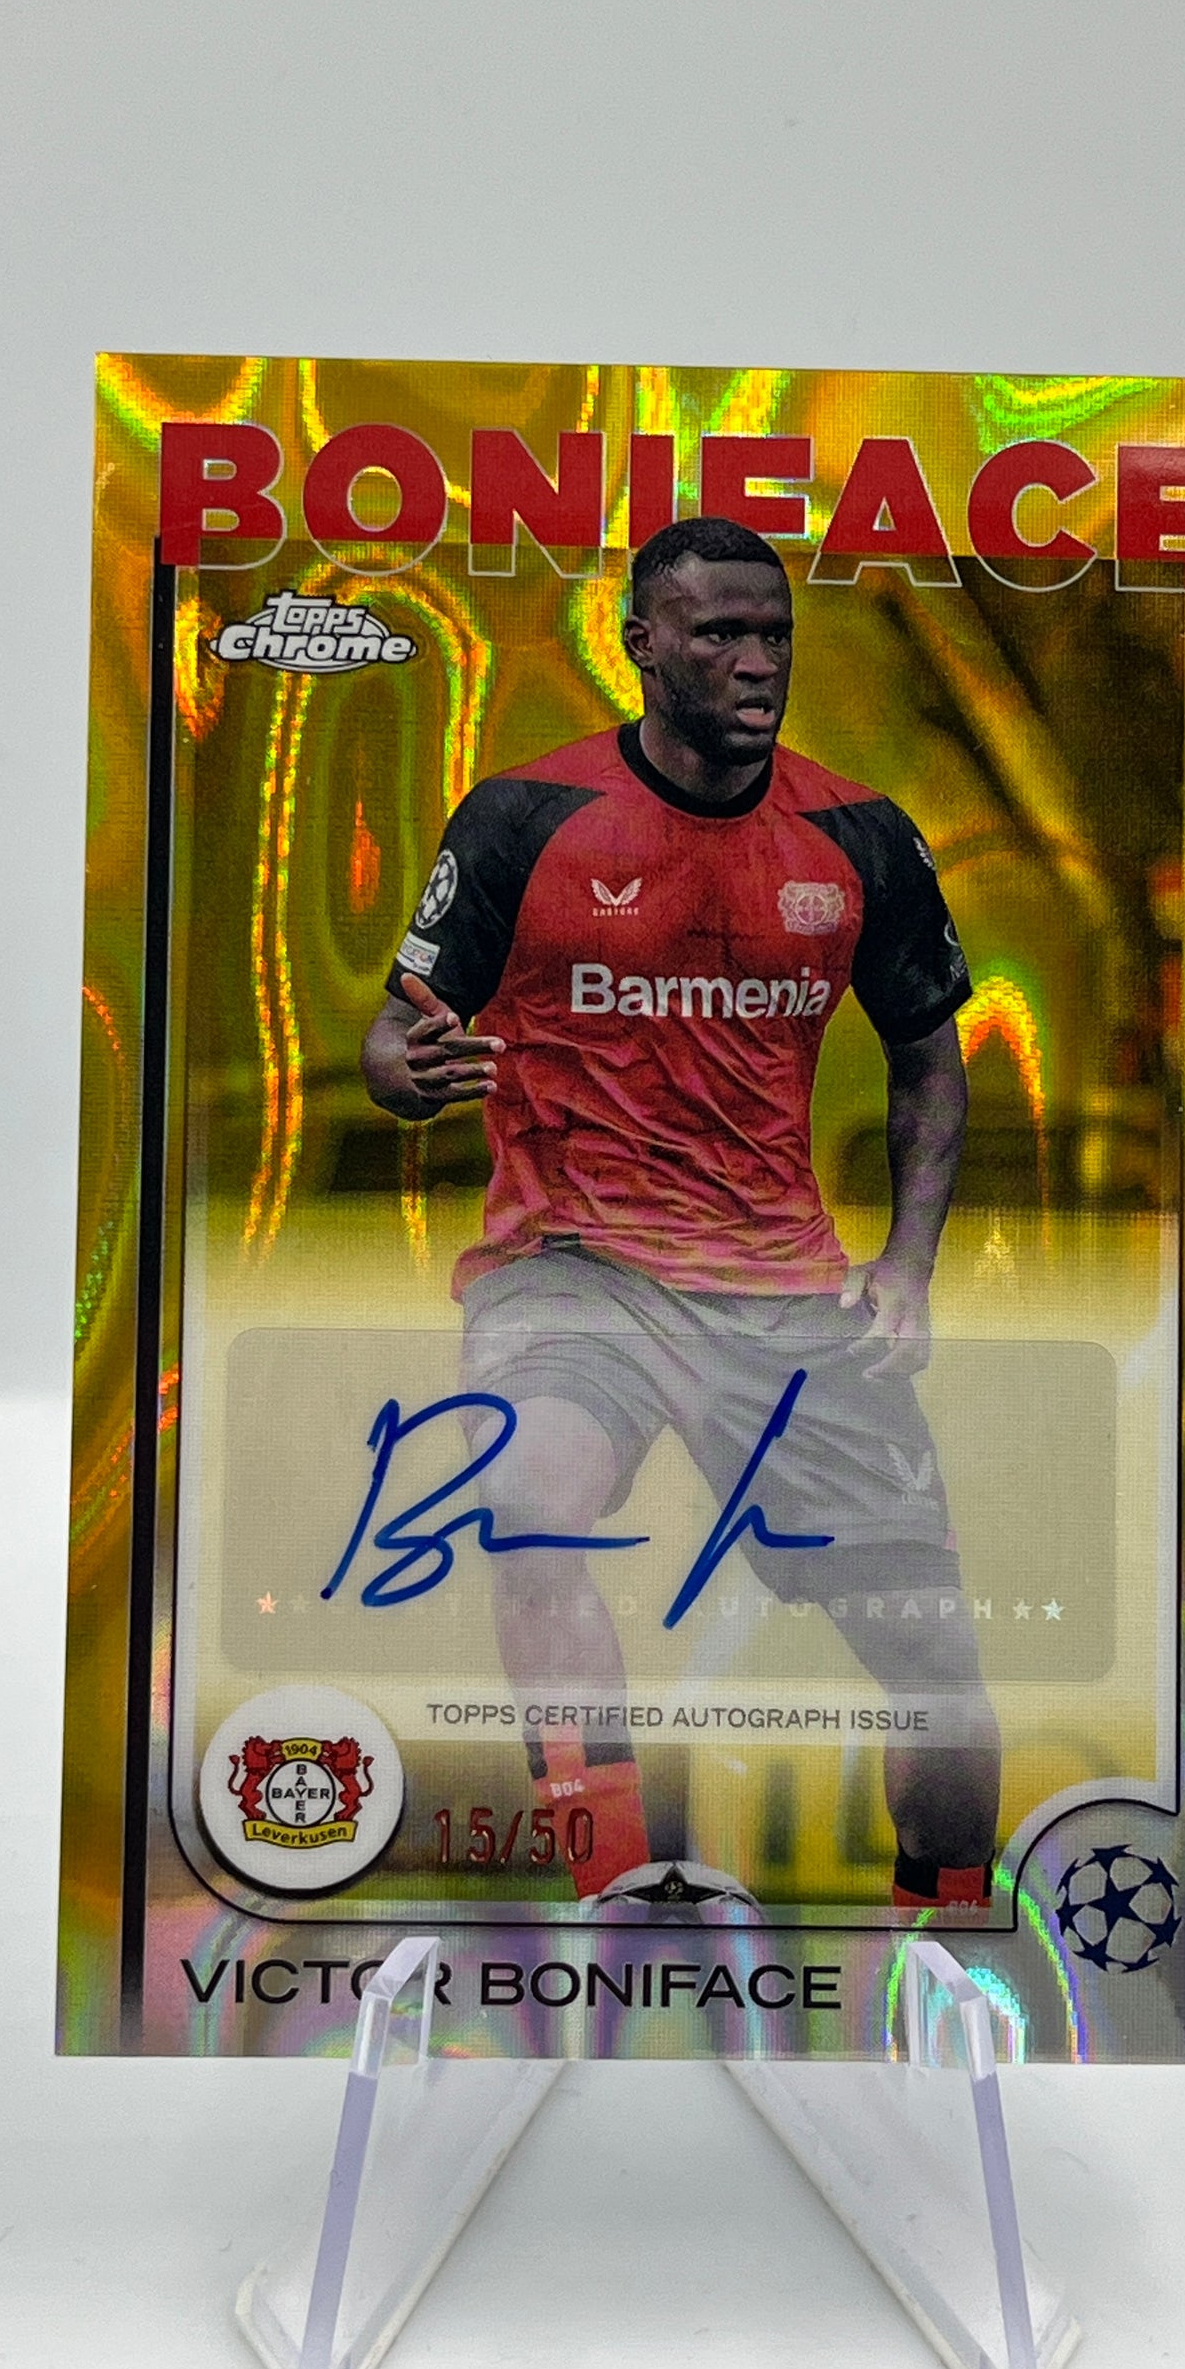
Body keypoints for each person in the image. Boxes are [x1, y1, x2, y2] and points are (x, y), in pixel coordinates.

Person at [361, 516, 1001, 1915]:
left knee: (940, 1671)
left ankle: (952, 1927)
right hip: (569, 1267)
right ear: (642, 644)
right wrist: (407, 1073)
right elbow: (397, 1036)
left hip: (783, 1292)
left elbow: (929, 1068)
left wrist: (906, 1267)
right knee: (526, 1510)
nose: (756, 662)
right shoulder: (523, 817)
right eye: (720, 635)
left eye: (774, 635)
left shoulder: (858, 836)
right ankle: (616, 1886)